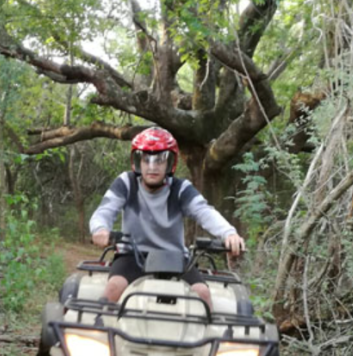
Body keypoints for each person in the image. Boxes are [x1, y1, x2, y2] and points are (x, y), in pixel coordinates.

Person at [90, 127, 245, 307]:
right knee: (113, 289)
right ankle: (102, 332)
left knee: (202, 295)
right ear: (137, 161)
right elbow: (105, 210)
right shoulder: (126, 183)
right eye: (146, 159)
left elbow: (205, 212)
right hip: (132, 255)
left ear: (170, 162)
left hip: (175, 258)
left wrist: (229, 234)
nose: (152, 166)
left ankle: (208, 336)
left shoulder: (180, 189)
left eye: (160, 160)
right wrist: (100, 229)